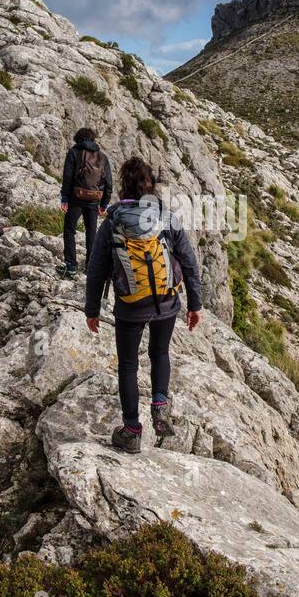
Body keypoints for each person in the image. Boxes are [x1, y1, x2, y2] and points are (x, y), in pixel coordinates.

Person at [84, 157, 202, 454]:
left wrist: (92, 310)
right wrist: (195, 304)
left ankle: (132, 430)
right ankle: (160, 406)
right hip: (166, 301)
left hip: (130, 304)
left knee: (128, 364)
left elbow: (96, 268)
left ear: (123, 185)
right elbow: (188, 262)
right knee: (159, 352)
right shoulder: (167, 217)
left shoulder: (113, 220)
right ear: (151, 186)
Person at [58, 128, 112, 277]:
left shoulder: (74, 152)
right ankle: (90, 267)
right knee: (91, 232)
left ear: (78, 138)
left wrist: (64, 198)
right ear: (93, 139)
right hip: (94, 200)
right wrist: (104, 204)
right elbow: (109, 182)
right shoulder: (102, 157)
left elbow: (67, 177)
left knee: (69, 230)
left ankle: (71, 265)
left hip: (76, 198)